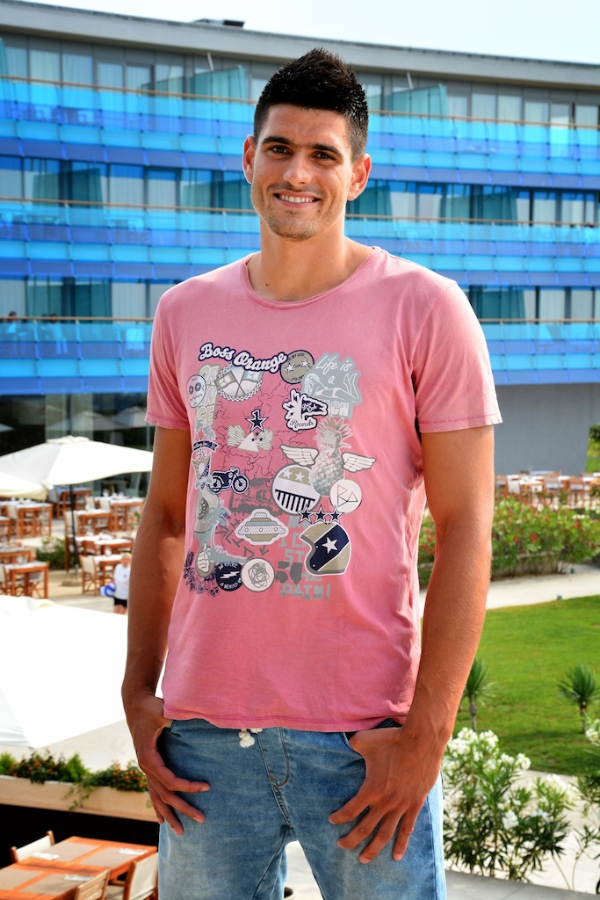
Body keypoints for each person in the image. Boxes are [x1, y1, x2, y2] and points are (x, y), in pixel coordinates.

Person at [123, 48, 501, 900]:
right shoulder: (184, 312)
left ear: (358, 174)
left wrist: (427, 736)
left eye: (323, 154)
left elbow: (468, 528)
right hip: (203, 737)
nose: (297, 172)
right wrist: (139, 692)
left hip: (365, 741)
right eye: (280, 148)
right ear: (248, 159)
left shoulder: (428, 309)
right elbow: (169, 516)